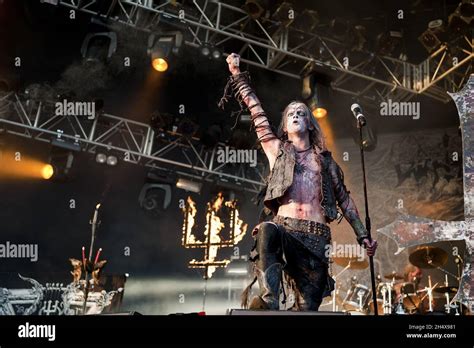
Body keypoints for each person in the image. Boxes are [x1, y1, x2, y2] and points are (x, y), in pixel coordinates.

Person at [222, 53, 377, 311]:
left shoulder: (326, 163)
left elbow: (346, 202)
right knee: (267, 230)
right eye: (291, 113)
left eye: (301, 112)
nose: (295, 115)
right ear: (284, 124)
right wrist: (237, 74)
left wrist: (363, 236)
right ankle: (270, 298)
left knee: (308, 309)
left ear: (309, 123)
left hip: (316, 239)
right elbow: (256, 111)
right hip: (285, 229)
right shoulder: (277, 150)